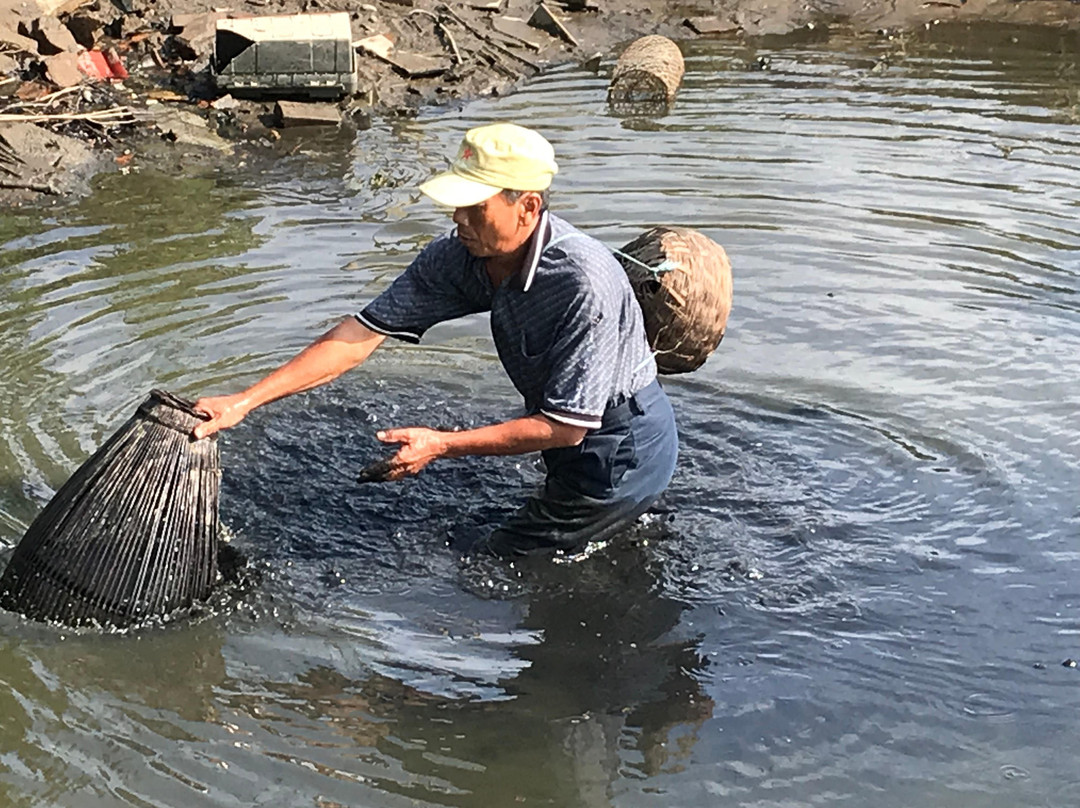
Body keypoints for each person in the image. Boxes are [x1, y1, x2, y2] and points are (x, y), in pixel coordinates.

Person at [192, 122, 678, 557]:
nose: (458, 219)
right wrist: (245, 401)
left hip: (621, 444)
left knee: (497, 559)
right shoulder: (461, 256)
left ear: (527, 207)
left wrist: (442, 445)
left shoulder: (581, 281)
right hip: (570, 429)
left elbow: (567, 426)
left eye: (475, 206)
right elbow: (361, 333)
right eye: (456, 203)